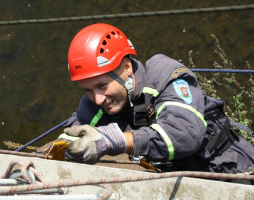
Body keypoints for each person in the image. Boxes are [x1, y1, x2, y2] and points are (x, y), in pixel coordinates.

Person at [45, 23, 254, 173]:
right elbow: (77, 130)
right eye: (88, 90)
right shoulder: (98, 100)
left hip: (227, 165)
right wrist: (64, 147)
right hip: (174, 173)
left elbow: (184, 136)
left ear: (126, 67)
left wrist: (116, 140)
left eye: (102, 85)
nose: (98, 99)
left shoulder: (165, 75)